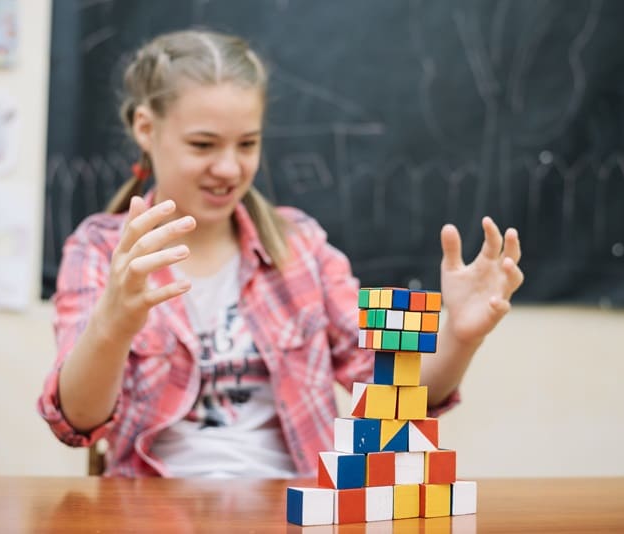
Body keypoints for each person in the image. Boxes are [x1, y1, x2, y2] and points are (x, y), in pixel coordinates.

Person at [37, 29, 524, 478]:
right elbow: (76, 423)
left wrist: (459, 338)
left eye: (247, 143)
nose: (229, 167)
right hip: (151, 509)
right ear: (146, 128)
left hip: (294, 504)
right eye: (203, 144)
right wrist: (114, 325)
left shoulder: (301, 245)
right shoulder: (99, 248)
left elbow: (390, 395)